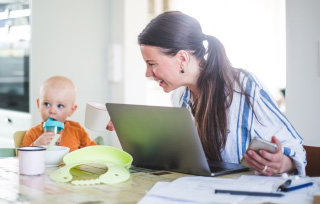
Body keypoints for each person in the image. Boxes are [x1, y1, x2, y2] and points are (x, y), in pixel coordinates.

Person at [136, 11, 305, 176]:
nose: (147, 73)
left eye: (152, 64)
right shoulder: (179, 95)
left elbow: (296, 148)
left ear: (182, 58)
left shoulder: (243, 86)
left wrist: (282, 163)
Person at [21, 76, 97, 152]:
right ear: (38, 105)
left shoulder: (77, 131)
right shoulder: (32, 134)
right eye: (46, 104)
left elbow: (94, 151)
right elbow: (20, 158)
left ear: (71, 110)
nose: (52, 111)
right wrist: (36, 146)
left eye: (60, 106)